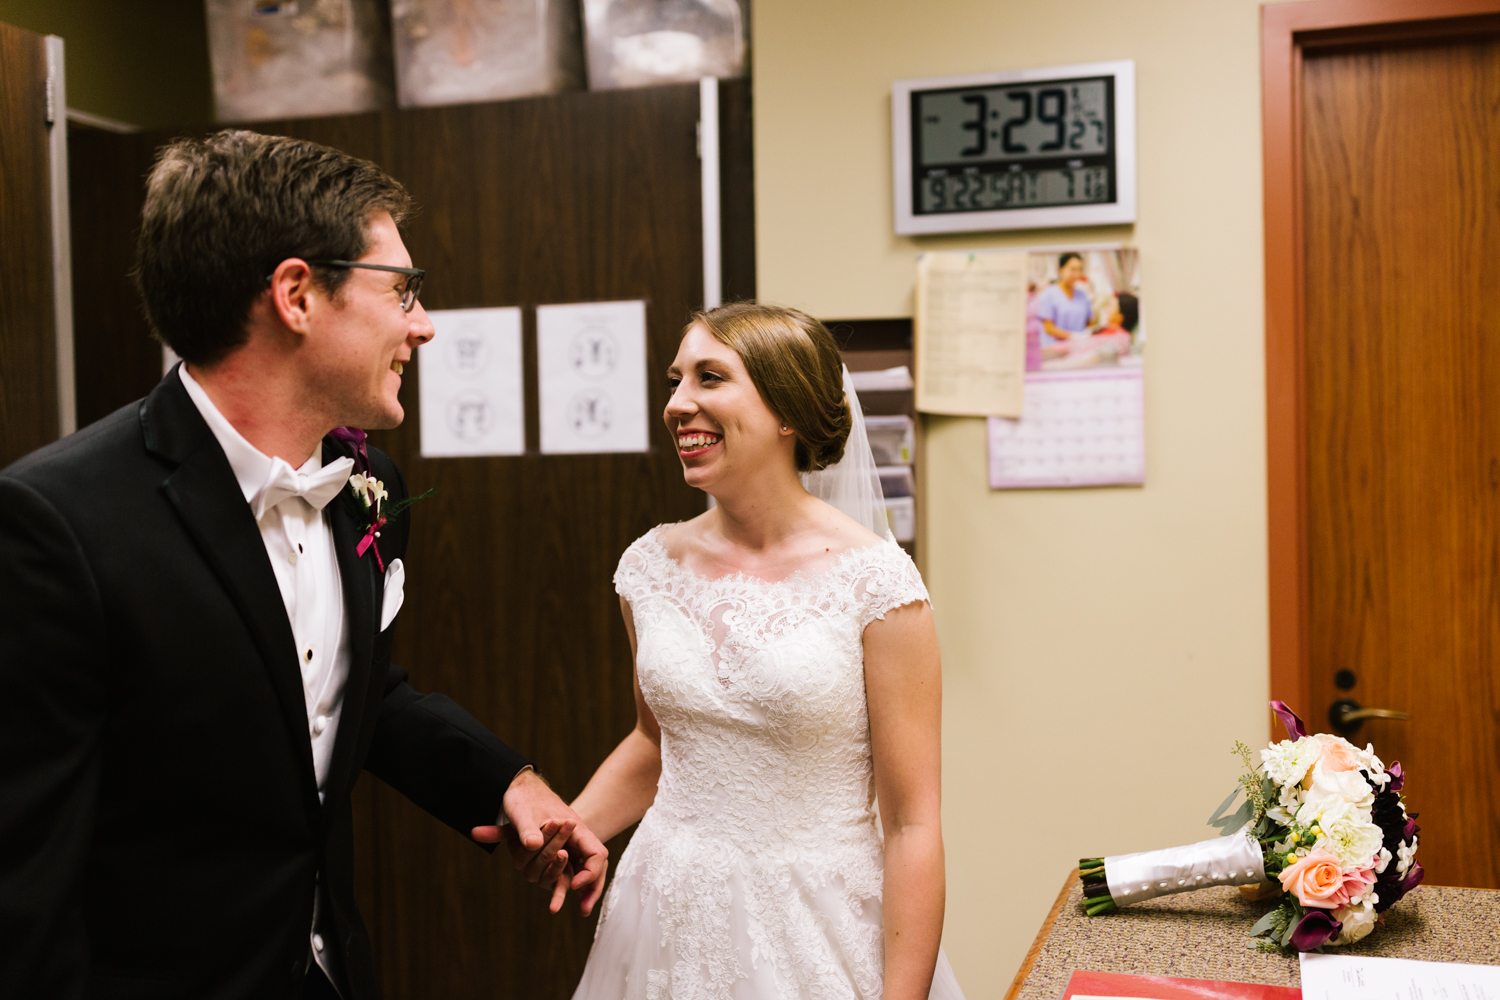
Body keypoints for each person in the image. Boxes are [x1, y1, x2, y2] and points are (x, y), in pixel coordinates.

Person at [0, 130, 604, 999]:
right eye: (401, 291)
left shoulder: (370, 487)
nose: (423, 326)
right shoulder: (55, 523)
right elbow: (23, 876)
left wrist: (505, 779)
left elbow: (350, 692)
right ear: (296, 295)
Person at [559, 303, 965, 1000]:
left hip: (812, 924)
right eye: (675, 379)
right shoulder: (649, 567)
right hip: (667, 908)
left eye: (710, 378)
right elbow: (658, 742)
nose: (678, 404)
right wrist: (570, 828)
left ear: (787, 412)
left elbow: (911, 824)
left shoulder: (877, 584)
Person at [1035, 251, 1095, 346]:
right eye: (1072, 269)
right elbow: (1048, 328)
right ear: (1061, 269)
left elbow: (1088, 323)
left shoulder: (1083, 296)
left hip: (1079, 348)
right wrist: (1072, 336)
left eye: (1079, 269)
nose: (1077, 274)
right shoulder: (1048, 295)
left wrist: (1085, 336)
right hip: (1054, 349)